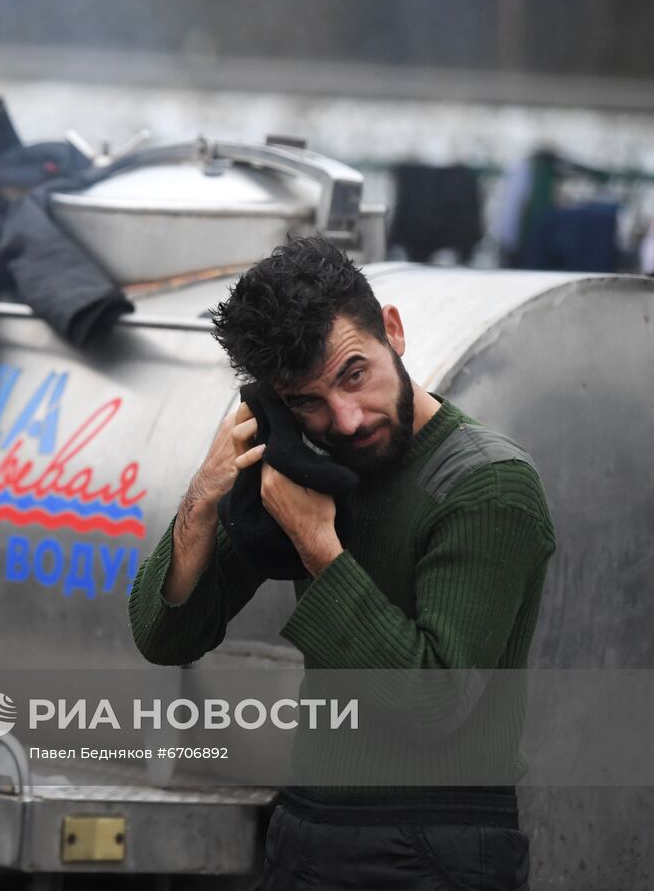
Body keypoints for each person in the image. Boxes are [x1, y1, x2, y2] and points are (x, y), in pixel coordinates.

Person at [128, 237, 554, 890]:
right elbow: (167, 634)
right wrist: (202, 498)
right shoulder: (310, 463)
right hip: (309, 822)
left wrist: (319, 548)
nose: (346, 418)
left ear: (393, 330)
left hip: (436, 843)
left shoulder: (486, 486)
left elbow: (437, 701)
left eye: (354, 374)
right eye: (308, 401)